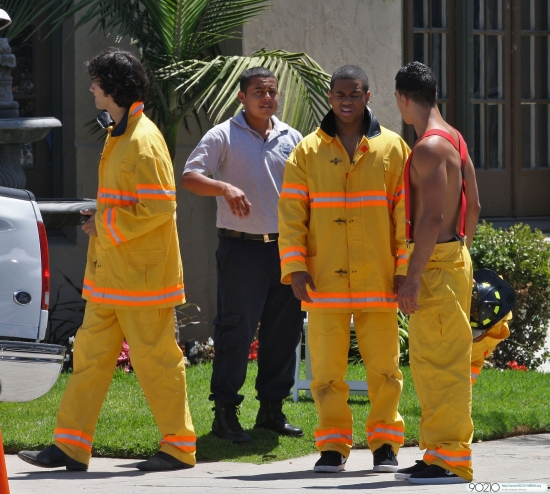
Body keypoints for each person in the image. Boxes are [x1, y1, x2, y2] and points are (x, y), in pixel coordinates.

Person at [18, 48, 196, 472]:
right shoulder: (122, 132)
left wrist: (105, 223)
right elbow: (132, 204)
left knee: (157, 363)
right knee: (89, 360)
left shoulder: (143, 139)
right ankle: (71, 446)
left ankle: (179, 448)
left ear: (113, 88)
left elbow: (160, 208)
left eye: (96, 82)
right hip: (111, 276)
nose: (91, 88)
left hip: (143, 280)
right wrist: (102, 218)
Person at [278, 65, 408, 473]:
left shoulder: (393, 148)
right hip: (324, 278)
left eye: (354, 94)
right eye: (339, 94)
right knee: (325, 371)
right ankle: (332, 446)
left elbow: (405, 215)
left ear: (367, 97)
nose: (346, 101)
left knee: (385, 368)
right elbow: (292, 215)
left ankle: (385, 444)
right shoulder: (307, 150)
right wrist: (295, 267)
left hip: (379, 276)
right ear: (330, 97)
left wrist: (404, 268)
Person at [181, 67, 304, 444]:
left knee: (283, 332)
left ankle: (271, 410)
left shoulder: (292, 137)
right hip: (241, 250)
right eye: (258, 92)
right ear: (242, 97)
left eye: (271, 91)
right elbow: (190, 176)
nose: (266, 98)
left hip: (285, 250)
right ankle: (225, 414)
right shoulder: (223, 135)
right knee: (235, 331)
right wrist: (224, 188)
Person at [393, 61, 481, 485]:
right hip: (452, 256)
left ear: (403, 99)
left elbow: (430, 218)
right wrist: (460, 254)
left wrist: (413, 277)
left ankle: (452, 460)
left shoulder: (427, 147)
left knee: (441, 363)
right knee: (432, 361)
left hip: (435, 263)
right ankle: (437, 453)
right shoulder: (455, 138)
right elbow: (474, 206)